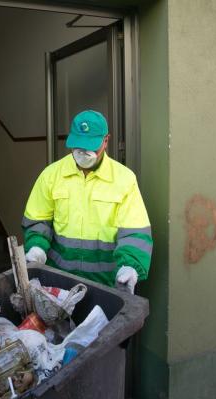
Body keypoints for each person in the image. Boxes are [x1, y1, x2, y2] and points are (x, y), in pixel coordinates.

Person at [22, 110, 152, 294]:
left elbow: (135, 232)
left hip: (105, 285)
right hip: (59, 282)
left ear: (106, 141)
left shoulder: (124, 180)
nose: (83, 153)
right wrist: (36, 247)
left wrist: (130, 265)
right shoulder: (51, 175)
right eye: (78, 147)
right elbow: (37, 219)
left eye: (91, 147)